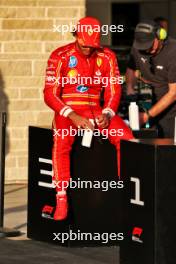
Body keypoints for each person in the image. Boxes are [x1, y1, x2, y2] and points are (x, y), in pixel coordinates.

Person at [44, 16, 133, 221]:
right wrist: (72, 115)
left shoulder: (107, 56)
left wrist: (108, 113)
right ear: (76, 35)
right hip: (68, 109)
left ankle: (125, 193)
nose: (88, 48)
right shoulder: (60, 55)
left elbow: (113, 89)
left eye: (93, 45)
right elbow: (49, 93)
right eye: (85, 44)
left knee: (126, 136)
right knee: (62, 140)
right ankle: (61, 197)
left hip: (97, 109)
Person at [126, 20, 176, 138]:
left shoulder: (173, 52)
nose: (147, 50)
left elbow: (173, 93)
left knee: (167, 143)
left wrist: (145, 117)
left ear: (160, 36)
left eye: (149, 45)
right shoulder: (138, 47)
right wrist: (130, 90)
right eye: (143, 47)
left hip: (171, 105)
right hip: (151, 101)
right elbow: (131, 68)